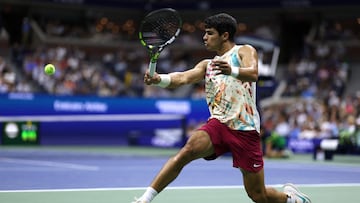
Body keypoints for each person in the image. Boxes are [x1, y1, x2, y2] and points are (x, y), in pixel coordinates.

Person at [134, 13, 311, 203]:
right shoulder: (207, 65)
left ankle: (292, 199)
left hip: (245, 129)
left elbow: (253, 73)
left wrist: (231, 70)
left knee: (258, 195)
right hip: (218, 124)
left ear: (224, 35)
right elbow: (182, 78)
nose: (204, 37)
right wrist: (159, 79)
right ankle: (145, 199)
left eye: (209, 33)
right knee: (187, 150)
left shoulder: (244, 51)